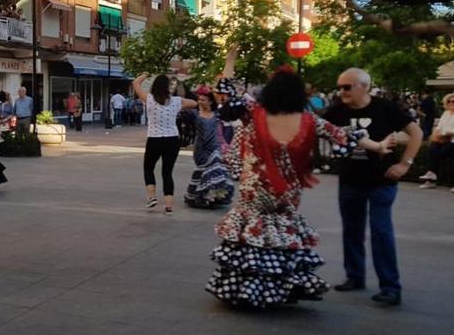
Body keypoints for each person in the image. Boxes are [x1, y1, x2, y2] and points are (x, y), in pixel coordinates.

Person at [206, 67, 393, 309]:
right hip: (288, 190)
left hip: (256, 185)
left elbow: (226, 89)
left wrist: (229, 61)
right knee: (281, 236)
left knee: (253, 236)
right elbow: (344, 136)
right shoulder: (308, 120)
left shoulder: (255, 113)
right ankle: (281, 288)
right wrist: (378, 146)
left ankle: (249, 289)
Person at [323, 68, 422, 307]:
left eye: (347, 87)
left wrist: (405, 164)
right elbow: (319, 129)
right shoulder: (336, 111)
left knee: (381, 231)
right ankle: (355, 276)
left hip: (381, 181)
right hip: (350, 180)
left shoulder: (385, 108)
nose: (342, 92)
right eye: (340, 87)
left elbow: (416, 132)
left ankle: (390, 287)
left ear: (364, 86)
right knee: (351, 230)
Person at [132, 73, 197, 214]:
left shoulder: (148, 99)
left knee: (148, 168)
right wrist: (181, 104)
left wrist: (145, 74)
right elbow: (194, 103)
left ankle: (151, 197)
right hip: (172, 139)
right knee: (167, 172)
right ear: (168, 88)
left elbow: (136, 84)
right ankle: (168, 206)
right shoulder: (176, 101)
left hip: (154, 138)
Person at [184, 86, 235, 209]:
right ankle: (199, 197)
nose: (200, 102)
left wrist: (226, 146)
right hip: (200, 148)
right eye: (199, 99)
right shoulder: (195, 114)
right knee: (203, 170)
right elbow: (182, 109)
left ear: (210, 101)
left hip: (215, 147)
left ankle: (214, 197)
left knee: (216, 169)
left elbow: (223, 130)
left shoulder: (217, 115)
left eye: (203, 100)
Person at [418, 93, 454, 190]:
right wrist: (436, 135)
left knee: (440, 153)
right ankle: (431, 179)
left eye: (453, 101)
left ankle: (432, 176)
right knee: (432, 149)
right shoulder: (446, 114)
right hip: (443, 139)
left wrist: (445, 133)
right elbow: (439, 127)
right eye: (449, 101)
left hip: (452, 140)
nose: (451, 103)